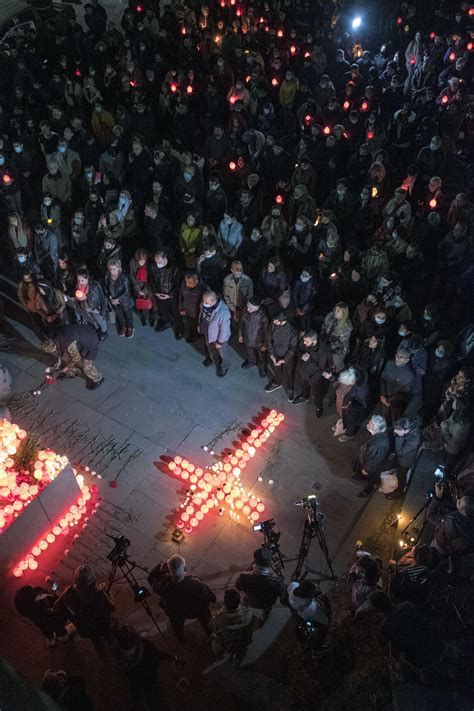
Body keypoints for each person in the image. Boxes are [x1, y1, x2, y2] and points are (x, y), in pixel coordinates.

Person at [148, 554, 216, 640]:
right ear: (184, 569)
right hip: (197, 610)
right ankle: (210, 632)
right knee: (206, 618)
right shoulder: (197, 584)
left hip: (176, 613)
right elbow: (213, 598)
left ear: (170, 571)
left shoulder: (163, 587)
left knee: (177, 626)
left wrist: (160, 566)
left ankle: (179, 636)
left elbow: (150, 579)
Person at [113, 626, 180, 709]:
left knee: (143, 699)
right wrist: (170, 658)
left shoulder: (117, 652)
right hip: (148, 679)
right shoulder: (146, 645)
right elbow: (157, 655)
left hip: (135, 680)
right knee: (155, 699)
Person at [54, 565, 115, 652]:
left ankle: (100, 648)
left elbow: (56, 606)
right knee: (108, 637)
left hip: (84, 628)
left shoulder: (69, 592)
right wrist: (108, 593)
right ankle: (112, 647)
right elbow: (112, 608)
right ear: (93, 581)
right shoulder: (100, 594)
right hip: (103, 624)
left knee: (95, 639)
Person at [40, 324, 104, 390]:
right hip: (83, 331)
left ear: (54, 346)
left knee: (86, 367)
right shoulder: (54, 335)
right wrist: (59, 362)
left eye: (52, 351)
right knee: (70, 357)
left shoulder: (67, 343)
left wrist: (66, 367)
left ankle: (98, 379)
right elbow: (60, 349)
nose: (53, 352)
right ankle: (70, 371)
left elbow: (76, 358)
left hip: (91, 341)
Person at [235, 547, 285, 622]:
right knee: (266, 611)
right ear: (269, 564)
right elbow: (282, 595)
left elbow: (238, 587)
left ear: (255, 561)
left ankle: (242, 614)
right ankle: (262, 619)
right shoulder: (276, 582)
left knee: (245, 599)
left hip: (252, 600)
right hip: (267, 603)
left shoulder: (244, 576)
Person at [286, 579, 331, 657]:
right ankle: (317, 650)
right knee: (323, 626)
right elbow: (324, 620)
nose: (318, 591)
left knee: (299, 624)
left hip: (297, 613)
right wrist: (326, 603)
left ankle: (301, 643)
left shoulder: (293, 586)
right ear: (307, 596)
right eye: (314, 592)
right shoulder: (311, 609)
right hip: (308, 615)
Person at [212, 589, 255, 667]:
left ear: (225, 603)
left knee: (220, 649)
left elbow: (213, 628)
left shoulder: (218, 618)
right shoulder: (248, 614)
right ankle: (236, 664)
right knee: (241, 654)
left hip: (226, 643)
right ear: (239, 601)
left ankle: (225, 660)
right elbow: (253, 627)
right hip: (242, 642)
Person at [353, 415, 390, 498]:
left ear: (375, 428)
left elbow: (375, 460)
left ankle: (369, 490)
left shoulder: (379, 444)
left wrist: (366, 469)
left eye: (369, 424)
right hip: (366, 460)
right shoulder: (378, 435)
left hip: (372, 467)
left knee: (372, 478)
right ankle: (360, 476)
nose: (367, 424)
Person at [150, 251, 183, 338]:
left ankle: (179, 327)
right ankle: (166, 322)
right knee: (163, 310)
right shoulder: (154, 266)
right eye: (156, 262)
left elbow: (178, 284)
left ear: (165, 258)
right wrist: (155, 292)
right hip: (159, 293)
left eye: (159, 262)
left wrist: (170, 295)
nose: (158, 264)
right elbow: (152, 280)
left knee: (176, 312)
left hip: (171, 295)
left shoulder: (175, 268)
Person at [199, 290, 231, 377]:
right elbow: (202, 314)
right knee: (211, 350)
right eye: (204, 300)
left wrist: (220, 342)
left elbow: (225, 329)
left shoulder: (223, 312)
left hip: (219, 338)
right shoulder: (206, 302)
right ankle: (215, 361)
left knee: (223, 354)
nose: (204, 303)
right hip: (208, 333)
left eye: (206, 302)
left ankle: (224, 366)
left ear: (214, 301)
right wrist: (200, 324)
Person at [264, 311, 297, 396]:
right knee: (277, 370)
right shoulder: (273, 326)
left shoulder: (292, 331)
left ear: (282, 321)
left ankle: (290, 388)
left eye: (276, 321)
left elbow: (293, 348)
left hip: (287, 357)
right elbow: (270, 340)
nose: (274, 322)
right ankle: (278, 382)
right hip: (275, 354)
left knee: (290, 372)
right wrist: (272, 354)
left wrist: (284, 360)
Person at [388, 416, 422, 498]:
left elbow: (400, 452)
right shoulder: (407, 425)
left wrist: (399, 437)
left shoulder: (414, 440)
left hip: (405, 461)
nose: (395, 431)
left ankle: (399, 491)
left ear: (406, 430)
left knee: (401, 477)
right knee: (397, 471)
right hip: (400, 458)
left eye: (398, 430)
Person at [379, 348, 415, 424]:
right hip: (385, 396)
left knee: (395, 421)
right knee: (383, 416)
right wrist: (383, 395)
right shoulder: (390, 363)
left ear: (407, 360)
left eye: (401, 357)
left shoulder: (410, 375)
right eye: (397, 356)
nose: (397, 359)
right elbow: (383, 379)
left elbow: (403, 394)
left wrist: (388, 400)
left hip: (396, 402)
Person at [238, 297, 269, 377]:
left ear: (256, 308)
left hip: (259, 341)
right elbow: (241, 324)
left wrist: (265, 344)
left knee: (262, 357)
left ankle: (262, 369)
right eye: (248, 307)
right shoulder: (245, 311)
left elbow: (266, 332)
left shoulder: (263, 317)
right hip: (247, 338)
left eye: (250, 308)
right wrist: (240, 334)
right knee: (250, 353)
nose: (248, 309)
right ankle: (252, 362)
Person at [104, 258, 134, 338]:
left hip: (124, 300)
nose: (111, 271)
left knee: (128, 314)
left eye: (113, 269)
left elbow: (127, 291)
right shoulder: (108, 275)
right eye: (110, 269)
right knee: (119, 314)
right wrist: (110, 298)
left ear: (119, 268)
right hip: (113, 300)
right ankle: (124, 326)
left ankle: (130, 327)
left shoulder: (124, 277)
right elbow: (106, 288)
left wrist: (118, 299)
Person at [290, 330, 320, 406]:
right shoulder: (304, 343)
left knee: (315, 390)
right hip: (302, 369)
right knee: (303, 384)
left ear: (314, 341)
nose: (304, 343)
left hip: (312, 375)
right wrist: (302, 355)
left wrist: (309, 360)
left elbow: (321, 368)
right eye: (304, 340)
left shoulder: (321, 350)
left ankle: (311, 400)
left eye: (307, 341)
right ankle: (304, 396)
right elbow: (299, 350)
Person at [178, 270, 207, 343]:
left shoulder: (203, 290)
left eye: (189, 282)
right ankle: (193, 333)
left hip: (197, 313)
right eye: (186, 281)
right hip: (187, 310)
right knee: (191, 324)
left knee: (199, 326)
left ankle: (201, 336)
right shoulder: (183, 284)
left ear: (196, 281)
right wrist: (181, 308)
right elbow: (180, 295)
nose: (187, 284)